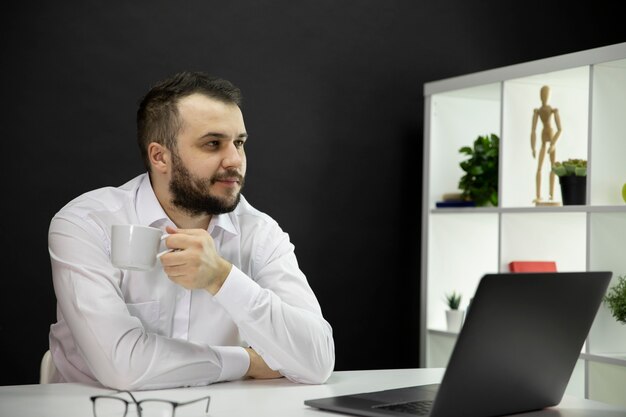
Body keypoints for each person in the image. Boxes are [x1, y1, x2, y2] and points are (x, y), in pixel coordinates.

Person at [48, 71, 335, 390]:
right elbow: (124, 367)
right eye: (213, 144)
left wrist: (222, 279)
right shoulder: (87, 223)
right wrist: (248, 362)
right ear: (160, 156)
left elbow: (318, 361)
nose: (235, 160)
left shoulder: (260, 232)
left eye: (239, 143)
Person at [530, 85, 562, 204]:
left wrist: (553, 144)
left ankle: (551, 194)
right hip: (544, 135)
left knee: (553, 166)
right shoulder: (537, 111)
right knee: (539, 167)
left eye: (545, 94)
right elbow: (532, 130)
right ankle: (538, 195)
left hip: (550, 134)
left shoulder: (552, 110)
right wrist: (533, 147)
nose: (544, 97)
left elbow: (560, 129)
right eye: (542, 95)